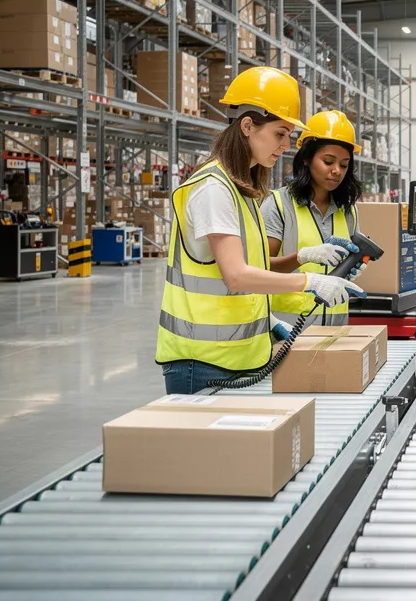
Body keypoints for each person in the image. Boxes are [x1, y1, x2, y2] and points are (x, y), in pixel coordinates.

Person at [155, 67, 363, 394]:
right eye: (280, 133)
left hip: (237, 355)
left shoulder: (243, 190)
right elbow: (236, 276)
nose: (285, 145)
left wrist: (270, 321)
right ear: (248, 126)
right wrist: (311, 279)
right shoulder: (214, 188)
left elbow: (252, 271)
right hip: (201, 361)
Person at [263, 109, 365, 328]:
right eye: (328, 162)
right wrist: (304, 256)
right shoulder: (279, 206)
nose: (337, 171)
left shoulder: (347, 210)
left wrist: (350, 267)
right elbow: (260, 269)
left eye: (344, 165)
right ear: (307, 159)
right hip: (286, 332)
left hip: (336, 333)